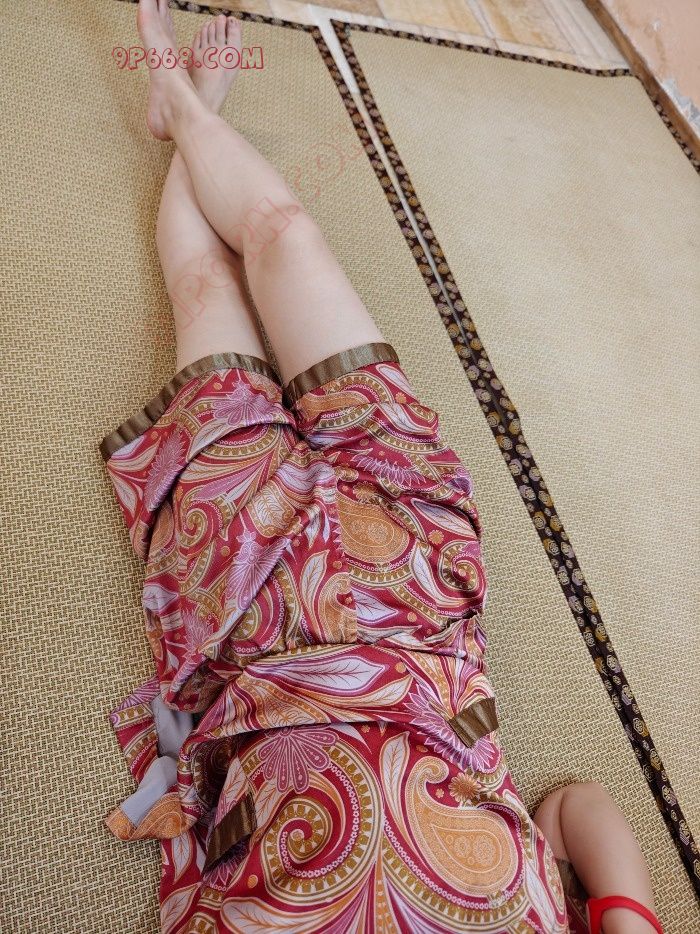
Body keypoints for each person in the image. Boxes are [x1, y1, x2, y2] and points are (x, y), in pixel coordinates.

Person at [101, 2, 663, 930]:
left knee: (205, 286)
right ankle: (187, 106)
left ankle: (190, 105)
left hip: (251, 621)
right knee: (284, 234)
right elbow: (577, 808)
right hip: (414, 592)